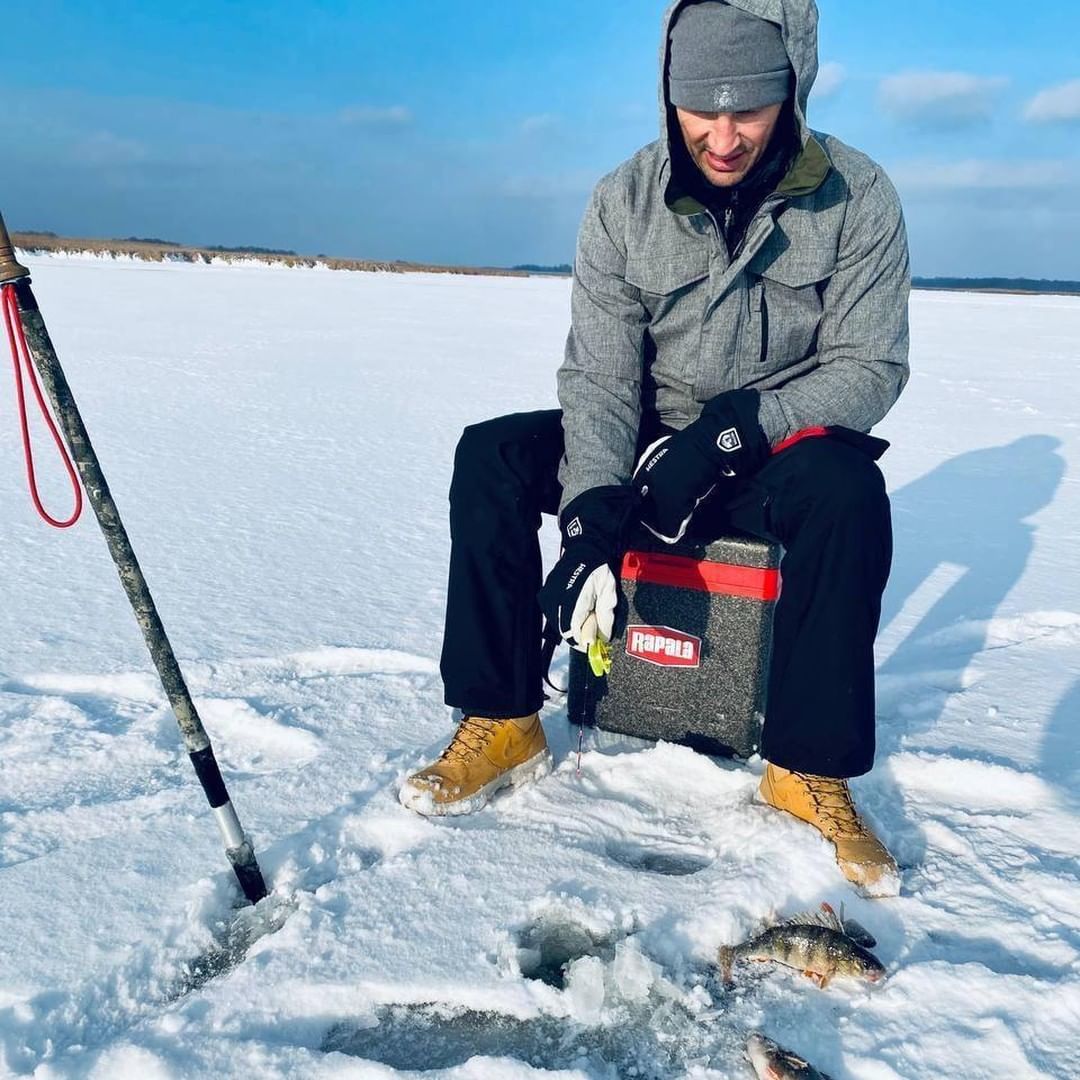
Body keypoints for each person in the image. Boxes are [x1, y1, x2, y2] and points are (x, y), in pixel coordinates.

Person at [399, 0, 909, 898]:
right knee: (492, 456)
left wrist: (735, 432)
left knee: (847, 493)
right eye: (699, 110)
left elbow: (870, 369)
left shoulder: (856, 197)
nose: (722, 135)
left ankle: (807, 770)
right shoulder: (621, 200)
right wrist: (594, 512)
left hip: (769, 455)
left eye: (747, 108)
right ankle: (503, 716)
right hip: (640, 442)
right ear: (668, 97)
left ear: (791, 90)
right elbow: (598, 380)